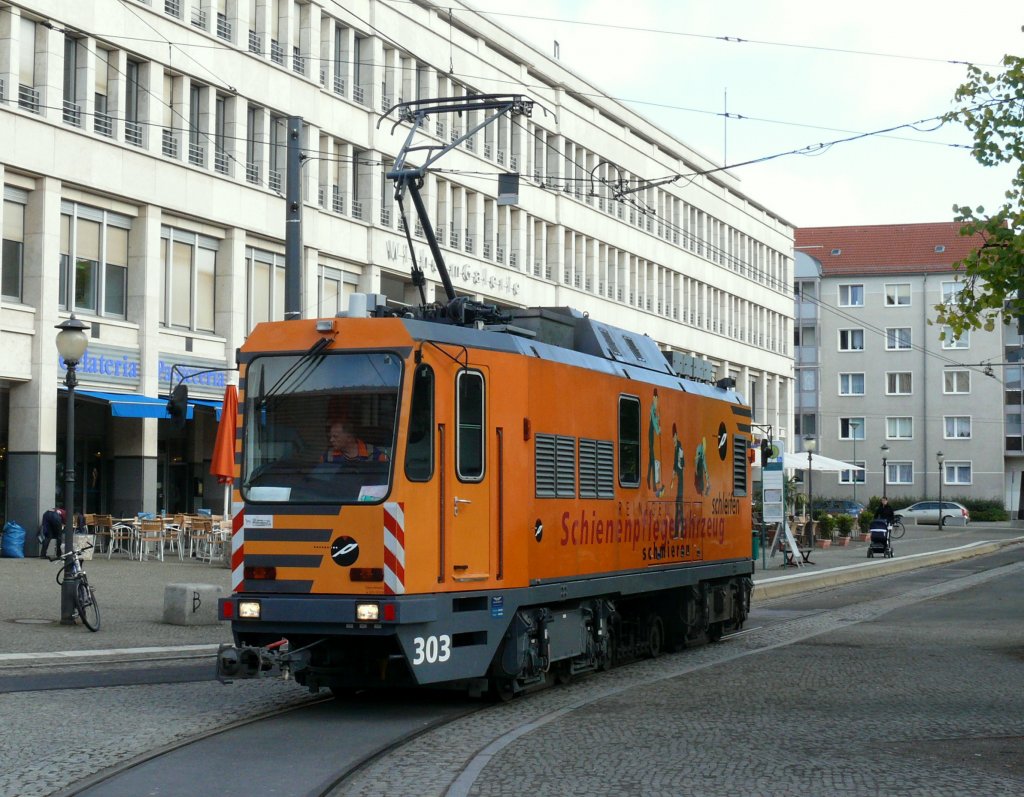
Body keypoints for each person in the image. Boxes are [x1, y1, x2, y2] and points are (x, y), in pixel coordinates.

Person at [322, 419, 388, 463]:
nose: (331, 440)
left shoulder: (373, 454)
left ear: (349, 437)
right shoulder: (328, 457)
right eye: (331, 436)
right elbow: (318, 481)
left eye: (335, 436)